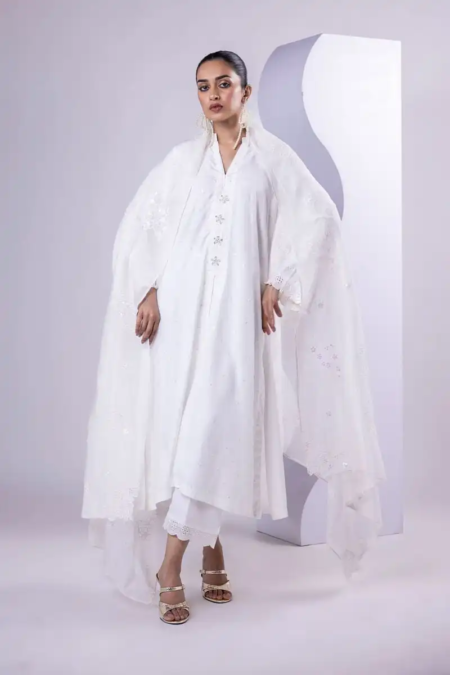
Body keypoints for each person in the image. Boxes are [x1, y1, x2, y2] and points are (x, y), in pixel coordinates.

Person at [82, 51, 386, 625]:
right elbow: (141, 228)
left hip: (238, 324)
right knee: (184, 434)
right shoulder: (183, 162)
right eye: (203, 86)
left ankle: (170, 565)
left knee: (214, 427)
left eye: (224, 84)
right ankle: (212, 550)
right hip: (180, 320)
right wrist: (148, 289)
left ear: (245, 92)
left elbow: (319, 217)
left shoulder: (272, 160)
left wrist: (279, 279)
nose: (214, 95)